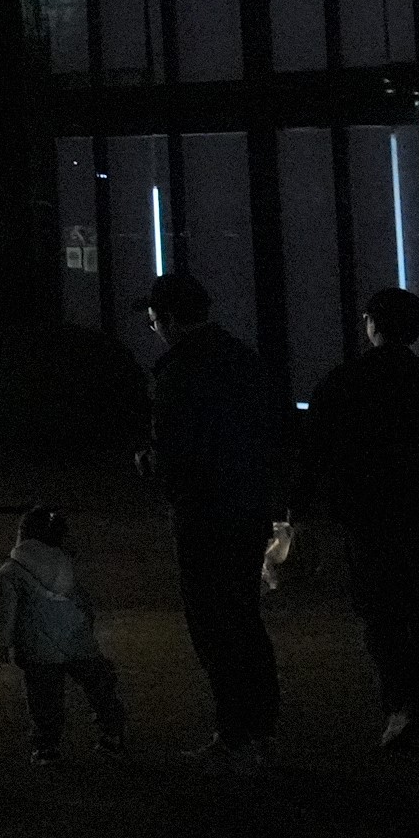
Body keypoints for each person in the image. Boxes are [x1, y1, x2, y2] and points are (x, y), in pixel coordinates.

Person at [281, 285, 419, 747]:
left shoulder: (344, 381)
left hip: (366, 516)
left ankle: (397, 705)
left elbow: (313, 451)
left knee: (380, 612)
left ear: (372, 324)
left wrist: (298, 509)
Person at [137, 271, 282, 771]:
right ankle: (256, 730)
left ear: (171, 320)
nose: (154, 328)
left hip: (203, 514)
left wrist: (153, 465)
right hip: (246, 506)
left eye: (154, 320)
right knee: (242, 617)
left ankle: (236, 733)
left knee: (214, 625)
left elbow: (177, 454)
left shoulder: (179, 372)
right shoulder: (242, 359)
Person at [0, 505, 125, 765]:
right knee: (98, 686)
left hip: (38, 648)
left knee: (44, 698)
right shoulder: (64, 563)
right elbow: (82, 600)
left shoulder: (11, 571)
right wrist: (84, 628)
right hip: (76, 640)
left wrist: (2, 643)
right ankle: (112, 732)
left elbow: (4, 610)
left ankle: (47, 748)